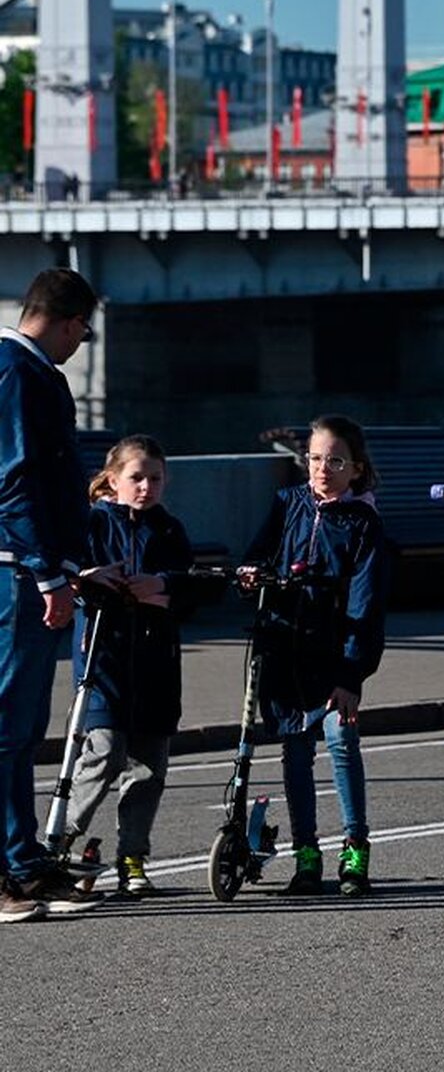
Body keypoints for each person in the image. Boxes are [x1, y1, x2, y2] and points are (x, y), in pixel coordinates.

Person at [66, 435, 220, 895]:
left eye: (155, 478)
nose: (146, 487)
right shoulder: (92, 523)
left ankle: (132, 856)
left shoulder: (167, 528)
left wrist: (164, 587)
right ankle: (61, 842)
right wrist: (89, 580)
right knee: (105, 751)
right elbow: (68, 573)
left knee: (150, 765)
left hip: (155, 662)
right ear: (113, 480)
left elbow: (189, 585)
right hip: (104, 659)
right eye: (136, 478)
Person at [241, 415, 388, 897]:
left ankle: (355, 849)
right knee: (294, 753)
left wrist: (351, 674)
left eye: (336, 460)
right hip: (285, 653)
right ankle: (307, 855)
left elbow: (366, 606)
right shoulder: (287, 504)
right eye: (317, 458)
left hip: (333, 658)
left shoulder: (362, 523)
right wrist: (251, 575)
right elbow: (260, 554)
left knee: (341, 742)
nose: (324, 468)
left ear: (356, 470)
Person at [0, 267, 102, 921]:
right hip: (17, 575)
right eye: (84, 331)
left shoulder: (30, 372)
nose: (80, 342)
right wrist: (46, 573)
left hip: (35, 571)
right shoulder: (18, 372)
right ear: (67, 321)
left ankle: (24, 860)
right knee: (8, 724)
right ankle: (8, 867)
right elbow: (12, 480)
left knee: (23, 725)